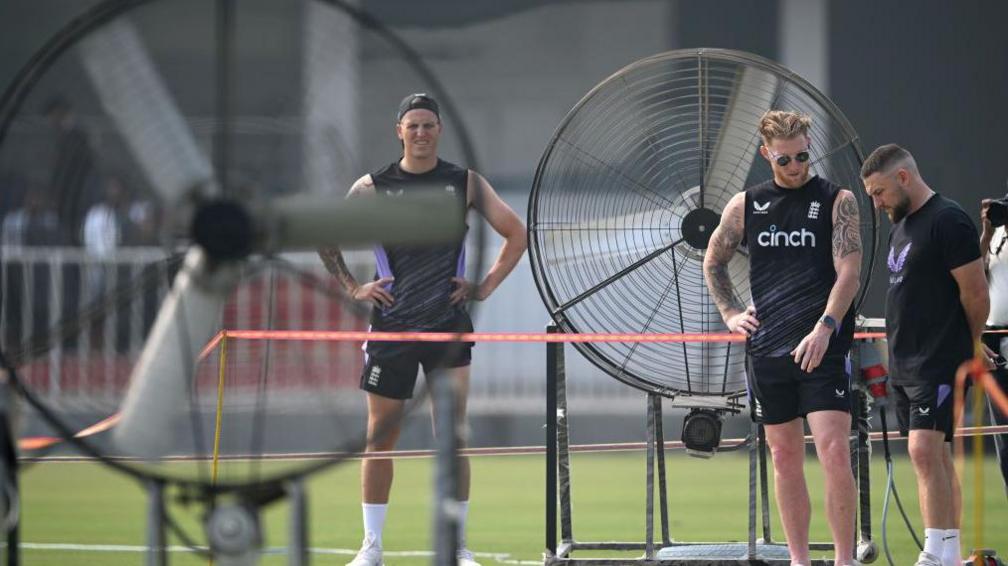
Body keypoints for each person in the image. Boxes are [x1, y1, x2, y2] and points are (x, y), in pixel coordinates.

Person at [317, 93, 527, 566]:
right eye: (412, 125)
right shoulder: (373, 186)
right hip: (391, 329)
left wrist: (485, 285)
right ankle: (371, 548)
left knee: (452, 437)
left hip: (447, 327)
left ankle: (456, 545)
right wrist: (353, 287)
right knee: (379, 439)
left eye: (428, 125)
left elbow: (516, 233)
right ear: (399, 131)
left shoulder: (465, 183)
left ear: (439, 130)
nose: (421, 133)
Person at [704, 110, 862, 566]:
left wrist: (825, 327)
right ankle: (798, 560)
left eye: (803, 157)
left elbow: (848, 272)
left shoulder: (838, 201)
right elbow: (713, 260)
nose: (796, 167)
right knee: (783, 456)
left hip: (823, 348)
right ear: (766, 155)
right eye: (785, 160)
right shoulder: (746, 204)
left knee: (833, 450)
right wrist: (731, 312)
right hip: (768, 350)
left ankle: (844, 560)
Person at [861, 144, 990, 566]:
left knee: (922, 449)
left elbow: (975, 293)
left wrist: (970, 345)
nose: (876, 204)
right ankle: (948, 551)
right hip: (904, 362)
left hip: (939, 359)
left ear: (903, 178)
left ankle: (935, 552)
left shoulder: (948, 220)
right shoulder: (902, 226)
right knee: (933, 455)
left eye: (879, 193)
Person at [980, 192, 1008, 498]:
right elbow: (976, 271)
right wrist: (988, 231)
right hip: (995, 342)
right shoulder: (997, 234)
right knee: (1005, 442)